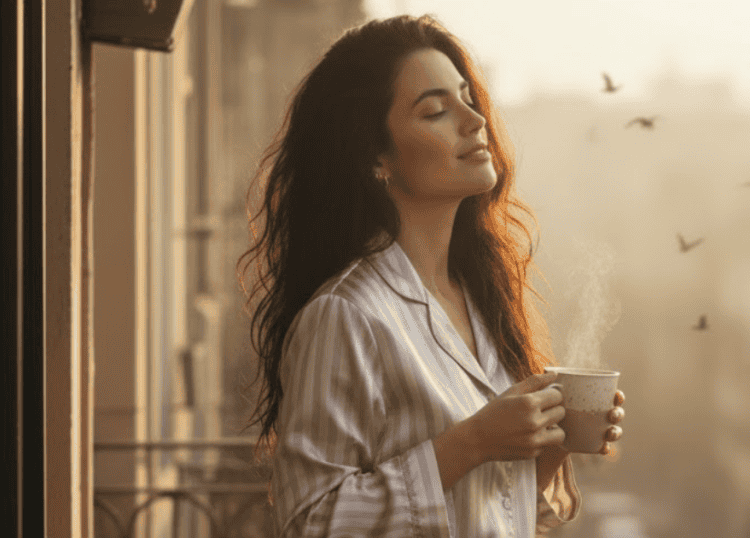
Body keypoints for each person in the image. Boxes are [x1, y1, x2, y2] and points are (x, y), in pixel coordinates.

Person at [239, 14, 626, 537]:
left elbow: (490, 521)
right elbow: (312, 522)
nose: (473, 120)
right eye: (436, 111)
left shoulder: (481, 302)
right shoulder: (346, 315)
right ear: (376, 158)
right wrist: (469, 444)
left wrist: (544, 456)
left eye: (468, 98)